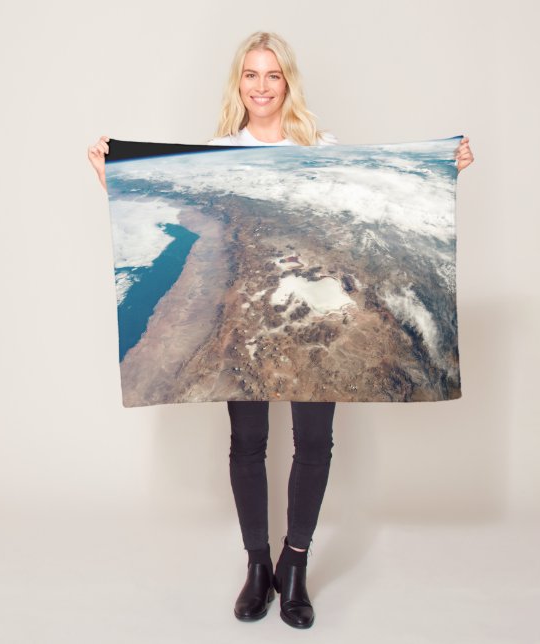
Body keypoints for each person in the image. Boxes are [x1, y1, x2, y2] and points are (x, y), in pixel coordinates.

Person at [87, 30, 474, 631]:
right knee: (247, 442)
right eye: (251, 74)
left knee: (314, 443)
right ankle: (257, 564)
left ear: (288, 81)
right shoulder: (218, 151)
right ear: (238, 83)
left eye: (273, 74)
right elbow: (165, 201)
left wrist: (444, 172)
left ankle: (295, 565)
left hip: (314, 314)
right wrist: (109, 175)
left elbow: (372, 204)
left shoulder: (320, 147)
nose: (262, 86)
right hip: (243, 318)